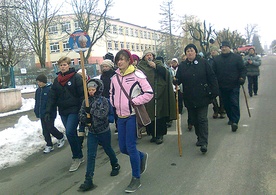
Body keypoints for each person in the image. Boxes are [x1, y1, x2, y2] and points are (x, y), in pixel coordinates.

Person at [110, 49, 153, 193]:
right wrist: (114, 104)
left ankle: (136, 178)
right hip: (120, 116)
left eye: (122, 59)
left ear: (129, 60)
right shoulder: (114, 77)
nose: (120, 62)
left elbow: (149, 93)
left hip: (132, 116)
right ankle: (142, 156)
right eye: (118, 60)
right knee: (123, 148)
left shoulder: (137, 75)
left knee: (131, 146)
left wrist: (134, 101)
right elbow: (112, 93)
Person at [174, 44, 219, 154]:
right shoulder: (183, 66)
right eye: (187, 51)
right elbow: (178, 79)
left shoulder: (203, 63)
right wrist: (175, 80)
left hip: (202, 96)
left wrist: (214, 91)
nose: (189, 52)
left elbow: (211, 76)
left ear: (195, 52)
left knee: (202, 119)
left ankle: (204, 142)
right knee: (194, 120)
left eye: (191, 50)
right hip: (189, 97)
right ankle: (199, 137)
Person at [78, 78, 120, 192]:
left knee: (108, 149)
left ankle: (115, 163)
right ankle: (88, 179)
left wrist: (90, 111)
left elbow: (102, 114)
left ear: (98, 89)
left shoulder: (103, 100)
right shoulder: (85, 101)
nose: (91, 91)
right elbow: (81, 114)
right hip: (92, 131)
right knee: (91, 155)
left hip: (103, 130)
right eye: (89, 89)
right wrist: (85, 119)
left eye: (93, 89)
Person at [45, 56, 84, 172]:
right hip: (63, 111)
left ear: (69, 65)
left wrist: (83, 109)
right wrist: (48, 110)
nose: (63, 67)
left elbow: (82, 94)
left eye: (65, 64)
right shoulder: (57, 81)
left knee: (70, 132)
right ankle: (80, 154)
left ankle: (76, 157)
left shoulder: (76, 77)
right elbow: (52, 97)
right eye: (61, 65)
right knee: (72, 134)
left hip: (74, 109)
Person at [137, 49, 176, 144]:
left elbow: (166, 74)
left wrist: (156, 67)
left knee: (158, 114)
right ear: (144, 57)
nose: (149, 57)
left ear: (153, 56)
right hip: (146, 95)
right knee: (149, 114)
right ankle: (152, 134)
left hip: (159, 93)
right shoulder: (140, 66)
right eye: (147, 55)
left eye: (150, 55)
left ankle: (160, 135)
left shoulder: (158, 63)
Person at [212, 41, 247, 132]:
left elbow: (243, 69)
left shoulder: (237, 58)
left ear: (229, 48)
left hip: (234, 84)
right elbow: (213, 73)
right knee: (226, 104)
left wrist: (242, 78)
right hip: (222, 86)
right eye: (222, 47)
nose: (224, 48)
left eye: (226, 47)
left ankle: (235, 121)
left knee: (234, 103)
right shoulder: (217, 59)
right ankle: (231, 118)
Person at [34, 74, 65, 153]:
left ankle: (60, 136)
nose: (39, 83)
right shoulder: (38, 91)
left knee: (50, 127)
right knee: (45, 130)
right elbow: (37, 102)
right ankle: (49, 145)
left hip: (50, 113)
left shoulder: (49, 89)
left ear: (44, 81)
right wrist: (36, 110)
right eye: (38, 82)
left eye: (40, 82)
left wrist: (49, 111)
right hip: (42, 113)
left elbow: (52, 102)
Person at [207, 46, 226, 119]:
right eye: (212, 51)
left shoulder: (220, 59)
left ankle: (222, 110)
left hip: (220, 80)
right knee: (212, 97)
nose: (213, 52)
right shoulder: (208, 60)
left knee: (222, 97)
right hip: (211, 81)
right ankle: (216, 109)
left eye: (214, 50)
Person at [100, 59, 118, 133]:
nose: (104, 68)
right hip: (105, 96)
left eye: (106, 66)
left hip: (114, 96)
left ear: (110, 66)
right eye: (103, 66)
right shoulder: (102, 76)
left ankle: (118, 126)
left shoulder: (114, 74)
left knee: (116, 112)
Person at [76, 68, 91, 148]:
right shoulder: (77, 83)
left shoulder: (90, 82)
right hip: (81, 105)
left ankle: (99, 141)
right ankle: (80, 142)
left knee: (90, 123)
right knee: (82, 123)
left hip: (89, 104)